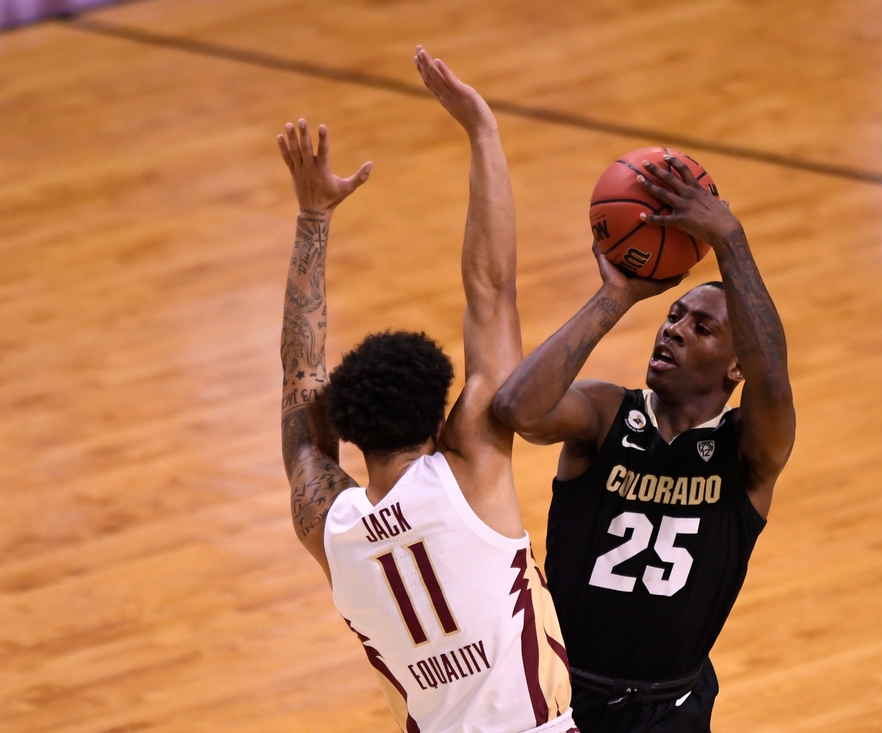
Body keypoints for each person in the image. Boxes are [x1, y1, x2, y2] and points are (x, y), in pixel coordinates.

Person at [277, 47, 577, 733]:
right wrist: (483, 133)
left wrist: (312, 220)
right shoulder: (469, 468)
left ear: (346, 430)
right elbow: (491, 290)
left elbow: (297, 381)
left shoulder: (330, 525)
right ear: (442, 416)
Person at [493, 156, 796, 733]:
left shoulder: (748, 454)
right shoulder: (607, 414)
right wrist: (616, 297)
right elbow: (516, 409)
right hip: (562, 697)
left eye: (701, 329)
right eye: (675, 314)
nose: (674, 328)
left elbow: (774, 380)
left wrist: (730, 241)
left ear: (737, 367)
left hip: (671, 709)